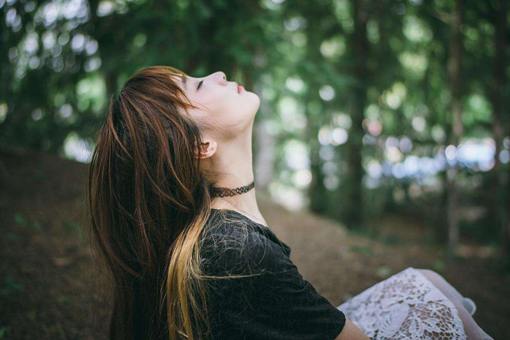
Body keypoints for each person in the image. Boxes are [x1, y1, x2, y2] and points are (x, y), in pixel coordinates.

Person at [87, 65, 492, 340]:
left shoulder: (218, 225)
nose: (218, 74)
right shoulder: (237, 250)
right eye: (196, 85)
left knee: (428, 280)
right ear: (201, 145)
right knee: (449, 309)